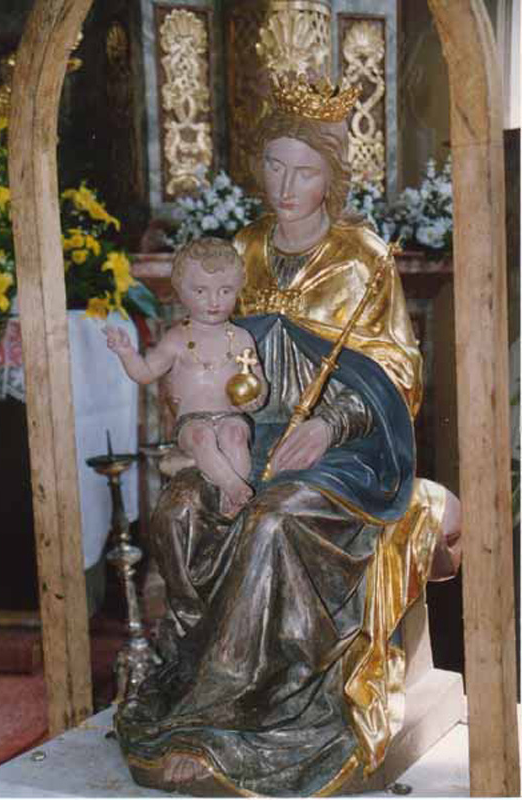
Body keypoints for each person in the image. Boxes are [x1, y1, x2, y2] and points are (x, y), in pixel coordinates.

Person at [115, 73, 461, 796]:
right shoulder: (236, 250)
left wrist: (333, 421)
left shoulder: (359, 257)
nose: (284, 183)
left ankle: (235, 705)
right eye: (273, 165)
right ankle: (192, 671)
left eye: (303, 170)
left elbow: (398, 368)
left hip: (348, 454)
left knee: (273, 520)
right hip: (245, 437)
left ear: (331, 178)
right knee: (179, 510)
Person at [105, 237, 267, 516]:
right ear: (180, 291)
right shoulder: (177, 339)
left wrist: (256, 398)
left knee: (236, 436)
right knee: (204, 437)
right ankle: (234, 487)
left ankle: (233, 504)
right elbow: (145, 374)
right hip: (192, 422)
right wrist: (126, 352)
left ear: (239, 288)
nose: (214, 301)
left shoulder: (241, 338)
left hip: (230, 415)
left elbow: (258, 382)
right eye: (201, 291)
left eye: (225, 290)